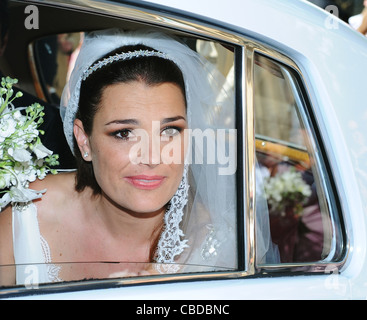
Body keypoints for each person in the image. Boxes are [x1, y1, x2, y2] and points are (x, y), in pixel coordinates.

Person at [0, 29, 276, 286]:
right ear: (84, 139)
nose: (152, 157)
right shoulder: (27, 216)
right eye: (124, 133)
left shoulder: (220, 243)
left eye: (169, 130)